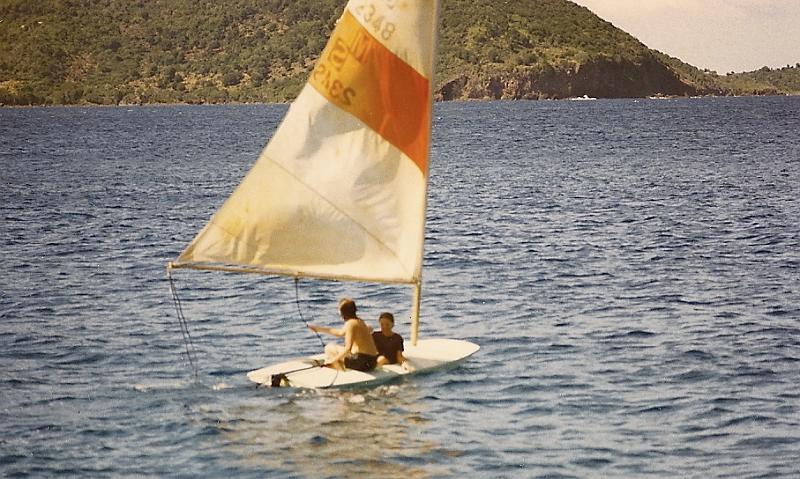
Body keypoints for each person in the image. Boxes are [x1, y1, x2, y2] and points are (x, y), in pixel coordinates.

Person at [308, 298, 379, 372]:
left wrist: (333, 360)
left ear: (342, 312)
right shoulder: (359, 321)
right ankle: (340, 367)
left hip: (362, 363)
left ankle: (341, 372)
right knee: (334, 348)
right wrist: (319, 329)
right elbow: (340, 333)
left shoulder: (350, 324)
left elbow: (348, 349)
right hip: (372, 362)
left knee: (329, 348)